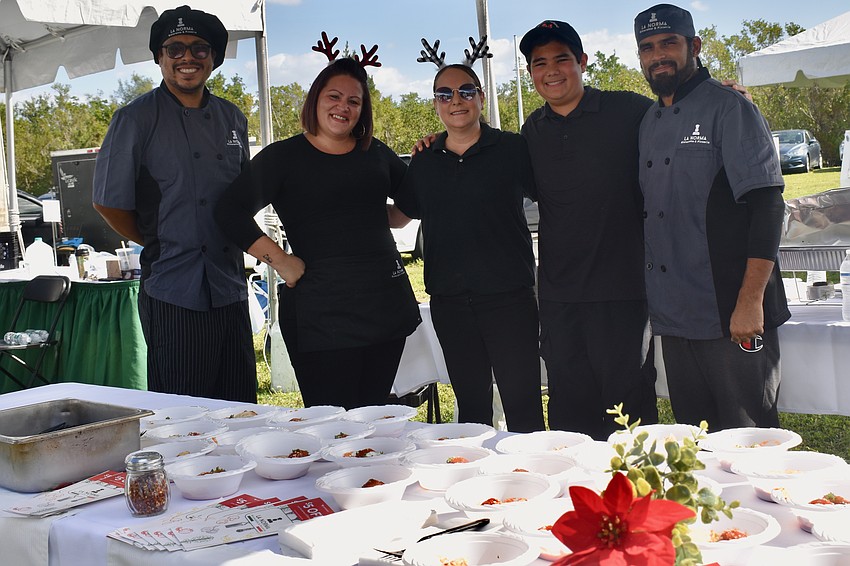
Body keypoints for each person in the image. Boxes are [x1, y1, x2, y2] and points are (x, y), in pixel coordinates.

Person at [214, 46, 421, 410]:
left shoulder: (375, 153)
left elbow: (410, 206)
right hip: (322, 312)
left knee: (373, 414)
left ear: (363, 110)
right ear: (315, 100)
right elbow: (228, 211)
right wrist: (279, 260)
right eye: (334, 97)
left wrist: (430, 152)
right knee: (331, 423)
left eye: (354, 101)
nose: (344, 107)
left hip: (384, 305)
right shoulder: (284, 157)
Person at [634, 3, 790, 429]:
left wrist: (750, 301)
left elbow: (767, 203)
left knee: (747, 438)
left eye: (670, 43)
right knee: (695, 439)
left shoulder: (730, 107)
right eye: (647, 47)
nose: (658, 54)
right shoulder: (648, 121)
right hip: (676, 315)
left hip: (730, 311)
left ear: (695, 46)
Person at [92, 5, 256, 403]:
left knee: (240, 407)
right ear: (159, 57)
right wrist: (158, 239)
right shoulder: (134, 118)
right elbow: (108, 203)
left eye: (199, 49)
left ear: (213, 58)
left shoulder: (232, 118)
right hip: (174, 288)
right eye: (174, 48)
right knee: (185, 412)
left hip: (230, 285)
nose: (187, 58)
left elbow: (243, 198)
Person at [390, 49, 546, 432]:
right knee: (471, 409)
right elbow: (401, 215)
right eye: (445, 94)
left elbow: (555, 194)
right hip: (451, 302)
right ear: (435, 104)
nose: (455, 100)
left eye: (465, 91)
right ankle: (479, 487)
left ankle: (533, 483)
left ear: (480, 97)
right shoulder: (424, 159)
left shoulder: (512, 148)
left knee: (523, 404)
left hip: (510, 297)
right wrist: (347, 208)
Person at [517, 21, 658, 440]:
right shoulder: (532, 131)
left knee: (628, 411)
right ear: (530, 74)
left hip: (624, 290)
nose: (552, 70)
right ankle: (575, 500)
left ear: (582, 61)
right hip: (560, 296)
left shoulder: (630, 111)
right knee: (568, 409)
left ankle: (635, 499)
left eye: (562, 58)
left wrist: (720, 95)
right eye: (539, 63)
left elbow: (679, 126)